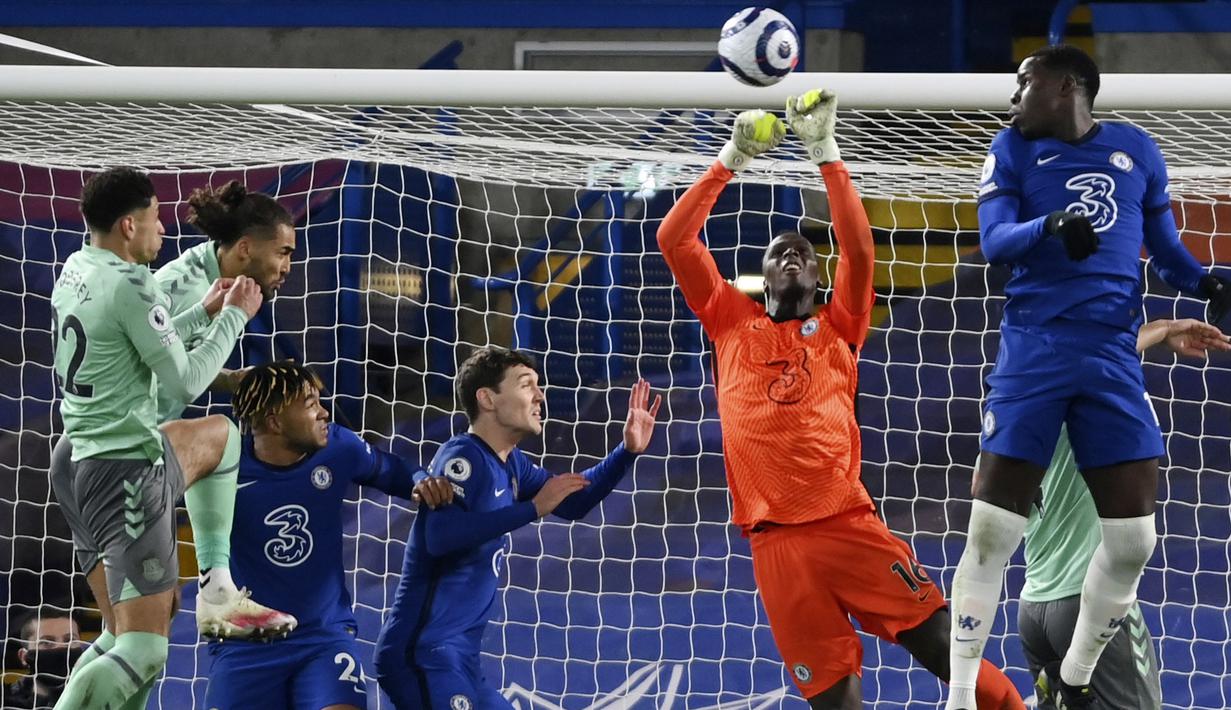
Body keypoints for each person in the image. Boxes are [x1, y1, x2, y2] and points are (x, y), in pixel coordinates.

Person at [655, 89, 1024, 710]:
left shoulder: (840, 325)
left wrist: (825, 152)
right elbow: (675, 238)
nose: (792, 252)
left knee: (944, 649)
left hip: (846, 525)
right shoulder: (727, 319)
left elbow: (858, 249)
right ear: (763, 276)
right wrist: (731, 159)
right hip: (773, 544)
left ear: (820, 279)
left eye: (804, 251)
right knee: (833, 700)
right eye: (778, 251)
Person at [947, 44, 1231, 710]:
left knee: (1135, 541)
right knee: (990, 531)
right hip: (1034, 348)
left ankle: (1073, 678)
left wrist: (1208, 282)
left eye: (1024, 83)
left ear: (1066, 86)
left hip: (1108, 353)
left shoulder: (1137, 151)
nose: (1012, 97)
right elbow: (992, 242)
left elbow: (1165, 255)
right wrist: (1048, 225)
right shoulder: (1009, 149)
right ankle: (959, 695)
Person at [47, 167, 294, 710]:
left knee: (126, 636)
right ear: (129, 226)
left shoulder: (78, 267)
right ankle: (217, 588)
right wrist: (230, 318)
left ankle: (216, 588)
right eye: (157, 218)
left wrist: (203, 317)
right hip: (124, 464)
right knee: (143, 649)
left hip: (80, 457)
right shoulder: (145, 280)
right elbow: (179, 378)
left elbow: (130, 342)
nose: (165, 230)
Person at [373, 346, 662, 710]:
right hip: (423, 654)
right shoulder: (462, 458)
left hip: (461, 660)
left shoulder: (511, 464)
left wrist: (627, 451)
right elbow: (439, 537)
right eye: (527, 386)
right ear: (488, 399)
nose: (540, 396)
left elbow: (571, 501)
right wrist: (532, 509)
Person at [203, 360, 455, 710]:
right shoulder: (223, 465)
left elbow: (394, 470)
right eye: (310, 405)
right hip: (244, 645)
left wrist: (421, 481)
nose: (324, 413)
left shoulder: (339, 447)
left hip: (322, 637)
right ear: (274, 421)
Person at [1023, 319, 1230, 709]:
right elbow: (1106, 351)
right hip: (1091, 603)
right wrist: (1168, 326)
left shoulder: (1016, 414)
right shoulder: (1087, 391)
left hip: (1033, 609)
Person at [154, 178, 296, 412]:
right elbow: (138, 373)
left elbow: (173, 363)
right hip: (123, 438)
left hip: (145, 432)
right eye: (282, 253)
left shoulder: (217, 272)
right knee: (226, 434)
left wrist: (231, 379)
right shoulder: (183, 292)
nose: (287, 267)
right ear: (245, 249)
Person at [5, 608, 84, 709]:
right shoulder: (6, 702)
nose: (61, 648)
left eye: (69, 640)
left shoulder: (102, 698)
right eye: (46, 642)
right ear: (23, 657)